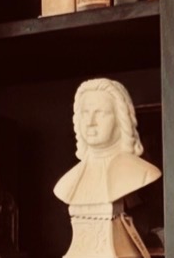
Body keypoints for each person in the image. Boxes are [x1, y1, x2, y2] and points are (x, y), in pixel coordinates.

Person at [53, 77, 160, 208]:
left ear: (121, 119)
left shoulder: (144, 173)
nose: (90, 122)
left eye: (100, 113)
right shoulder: (66, 184)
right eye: (85, 113)